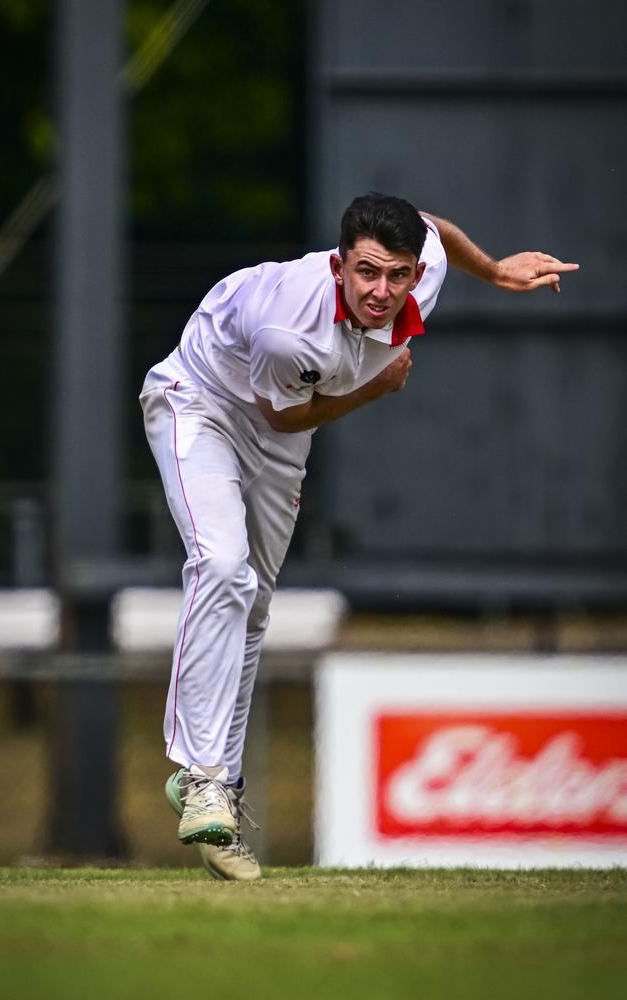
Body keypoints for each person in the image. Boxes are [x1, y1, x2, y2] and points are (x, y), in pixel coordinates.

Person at [140, 192, 578, 880]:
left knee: (253, 608)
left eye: (396, 274)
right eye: (367, 273)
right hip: (203, 402)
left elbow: (435, 229)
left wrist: (492, 271)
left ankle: (216, 784)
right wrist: (377, 387)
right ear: (341, 264)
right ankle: (199, 776)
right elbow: (283, 416)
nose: (382, 291)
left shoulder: (421, 266)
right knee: (222, 567)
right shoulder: (291, 325)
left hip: (284, 429)